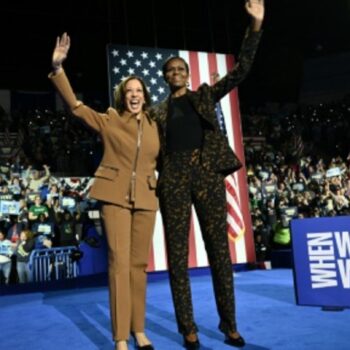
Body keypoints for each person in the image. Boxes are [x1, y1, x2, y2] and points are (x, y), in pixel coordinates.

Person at [152, 1, 265, 348]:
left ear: (187, 74)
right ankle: (188, 328)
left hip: (206, 174)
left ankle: (229, 324)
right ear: (165, 77)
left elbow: (241, 70)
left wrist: (255, 26)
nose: (175, 74)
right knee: (177, 257)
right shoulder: (156, 111)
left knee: (219, 253)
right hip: (172, 178)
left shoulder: (204, 96)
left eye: (180, 69)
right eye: (169, 70)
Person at [49, 33, 159, 350]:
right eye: (129, 91)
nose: (134, 95)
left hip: (147, 198)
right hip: (114, 197)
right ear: (122, 95)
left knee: (139, 267)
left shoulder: (155, 125)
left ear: (145, 95)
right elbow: (75, 106)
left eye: (139, 91)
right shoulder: (110, 119)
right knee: (119, 264)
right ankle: (121, 337)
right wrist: (58, 67)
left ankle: (140, 330)